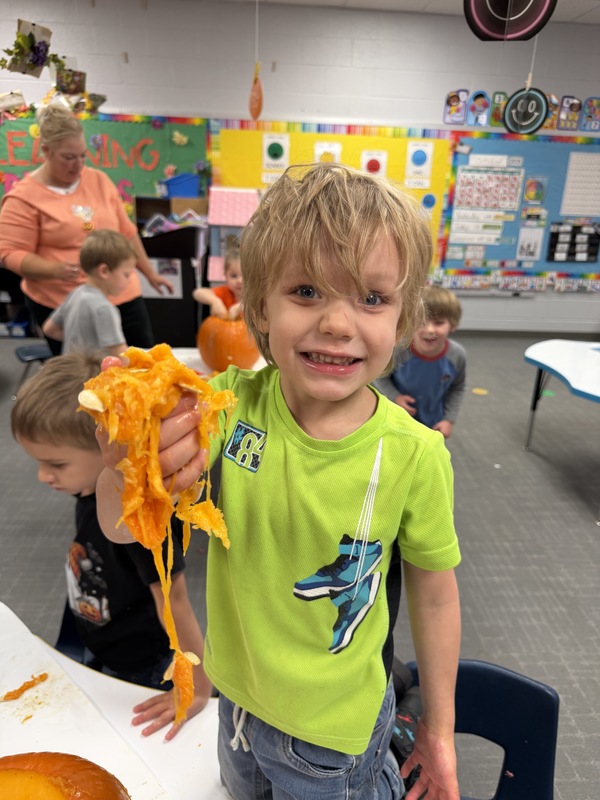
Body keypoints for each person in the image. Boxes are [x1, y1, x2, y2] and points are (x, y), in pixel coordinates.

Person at [96, 163, 462, 799]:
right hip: (236, 704)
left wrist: (441, 729)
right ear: (260, 303)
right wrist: (127, 468)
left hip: (333, 735)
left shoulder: (414, 454)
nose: (340, 324)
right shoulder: (222, 408)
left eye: (372, 298)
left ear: (404, 316)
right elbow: (123, 526)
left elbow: (435, 596)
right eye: (307, 292)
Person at [11, 352, 212, 741]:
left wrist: (198, 687)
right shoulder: (89, 490)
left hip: (145, 664)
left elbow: (177, 602)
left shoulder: (140, 522)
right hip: (100, 643)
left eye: (56, 464)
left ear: (110, 451)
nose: (41, 476)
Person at [0, 104, 173, 356]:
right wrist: (54, 270)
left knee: (140, 363)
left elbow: (126, 232)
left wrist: (149, 273)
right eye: (69, 158)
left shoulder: (99, 180)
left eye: (82, 156)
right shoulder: (23, 198)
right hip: (67, 300)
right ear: (45, 150)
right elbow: (10, 253)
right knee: (85, 375)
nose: (78, 165)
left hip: (122, 294)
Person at [374, 285, 466, 439]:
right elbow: (379, 375)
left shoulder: (456, 355)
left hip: (432, 423)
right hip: (397, 418)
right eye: (421, 321)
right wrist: (395, 396)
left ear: (453, 324)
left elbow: (457, 388)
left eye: (438, 323)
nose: (429, 329)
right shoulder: (398, 350)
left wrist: (448, 419)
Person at [42, 230, 134, 356]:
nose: (129, 281)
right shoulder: (104, 308)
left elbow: (50, 329)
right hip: (92, 373)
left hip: (68, 370)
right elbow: (119, 353)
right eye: (126, 275)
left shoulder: (76, 294)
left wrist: (82, 345)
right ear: (104, 271)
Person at [193, 236, 243, 320]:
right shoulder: (224, 292)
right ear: (225, 276)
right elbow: (197, 293)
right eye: (233, 276)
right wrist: (215, 301)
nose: (239, 281)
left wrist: (241, 306)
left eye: (245, 276)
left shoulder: (254, 296)